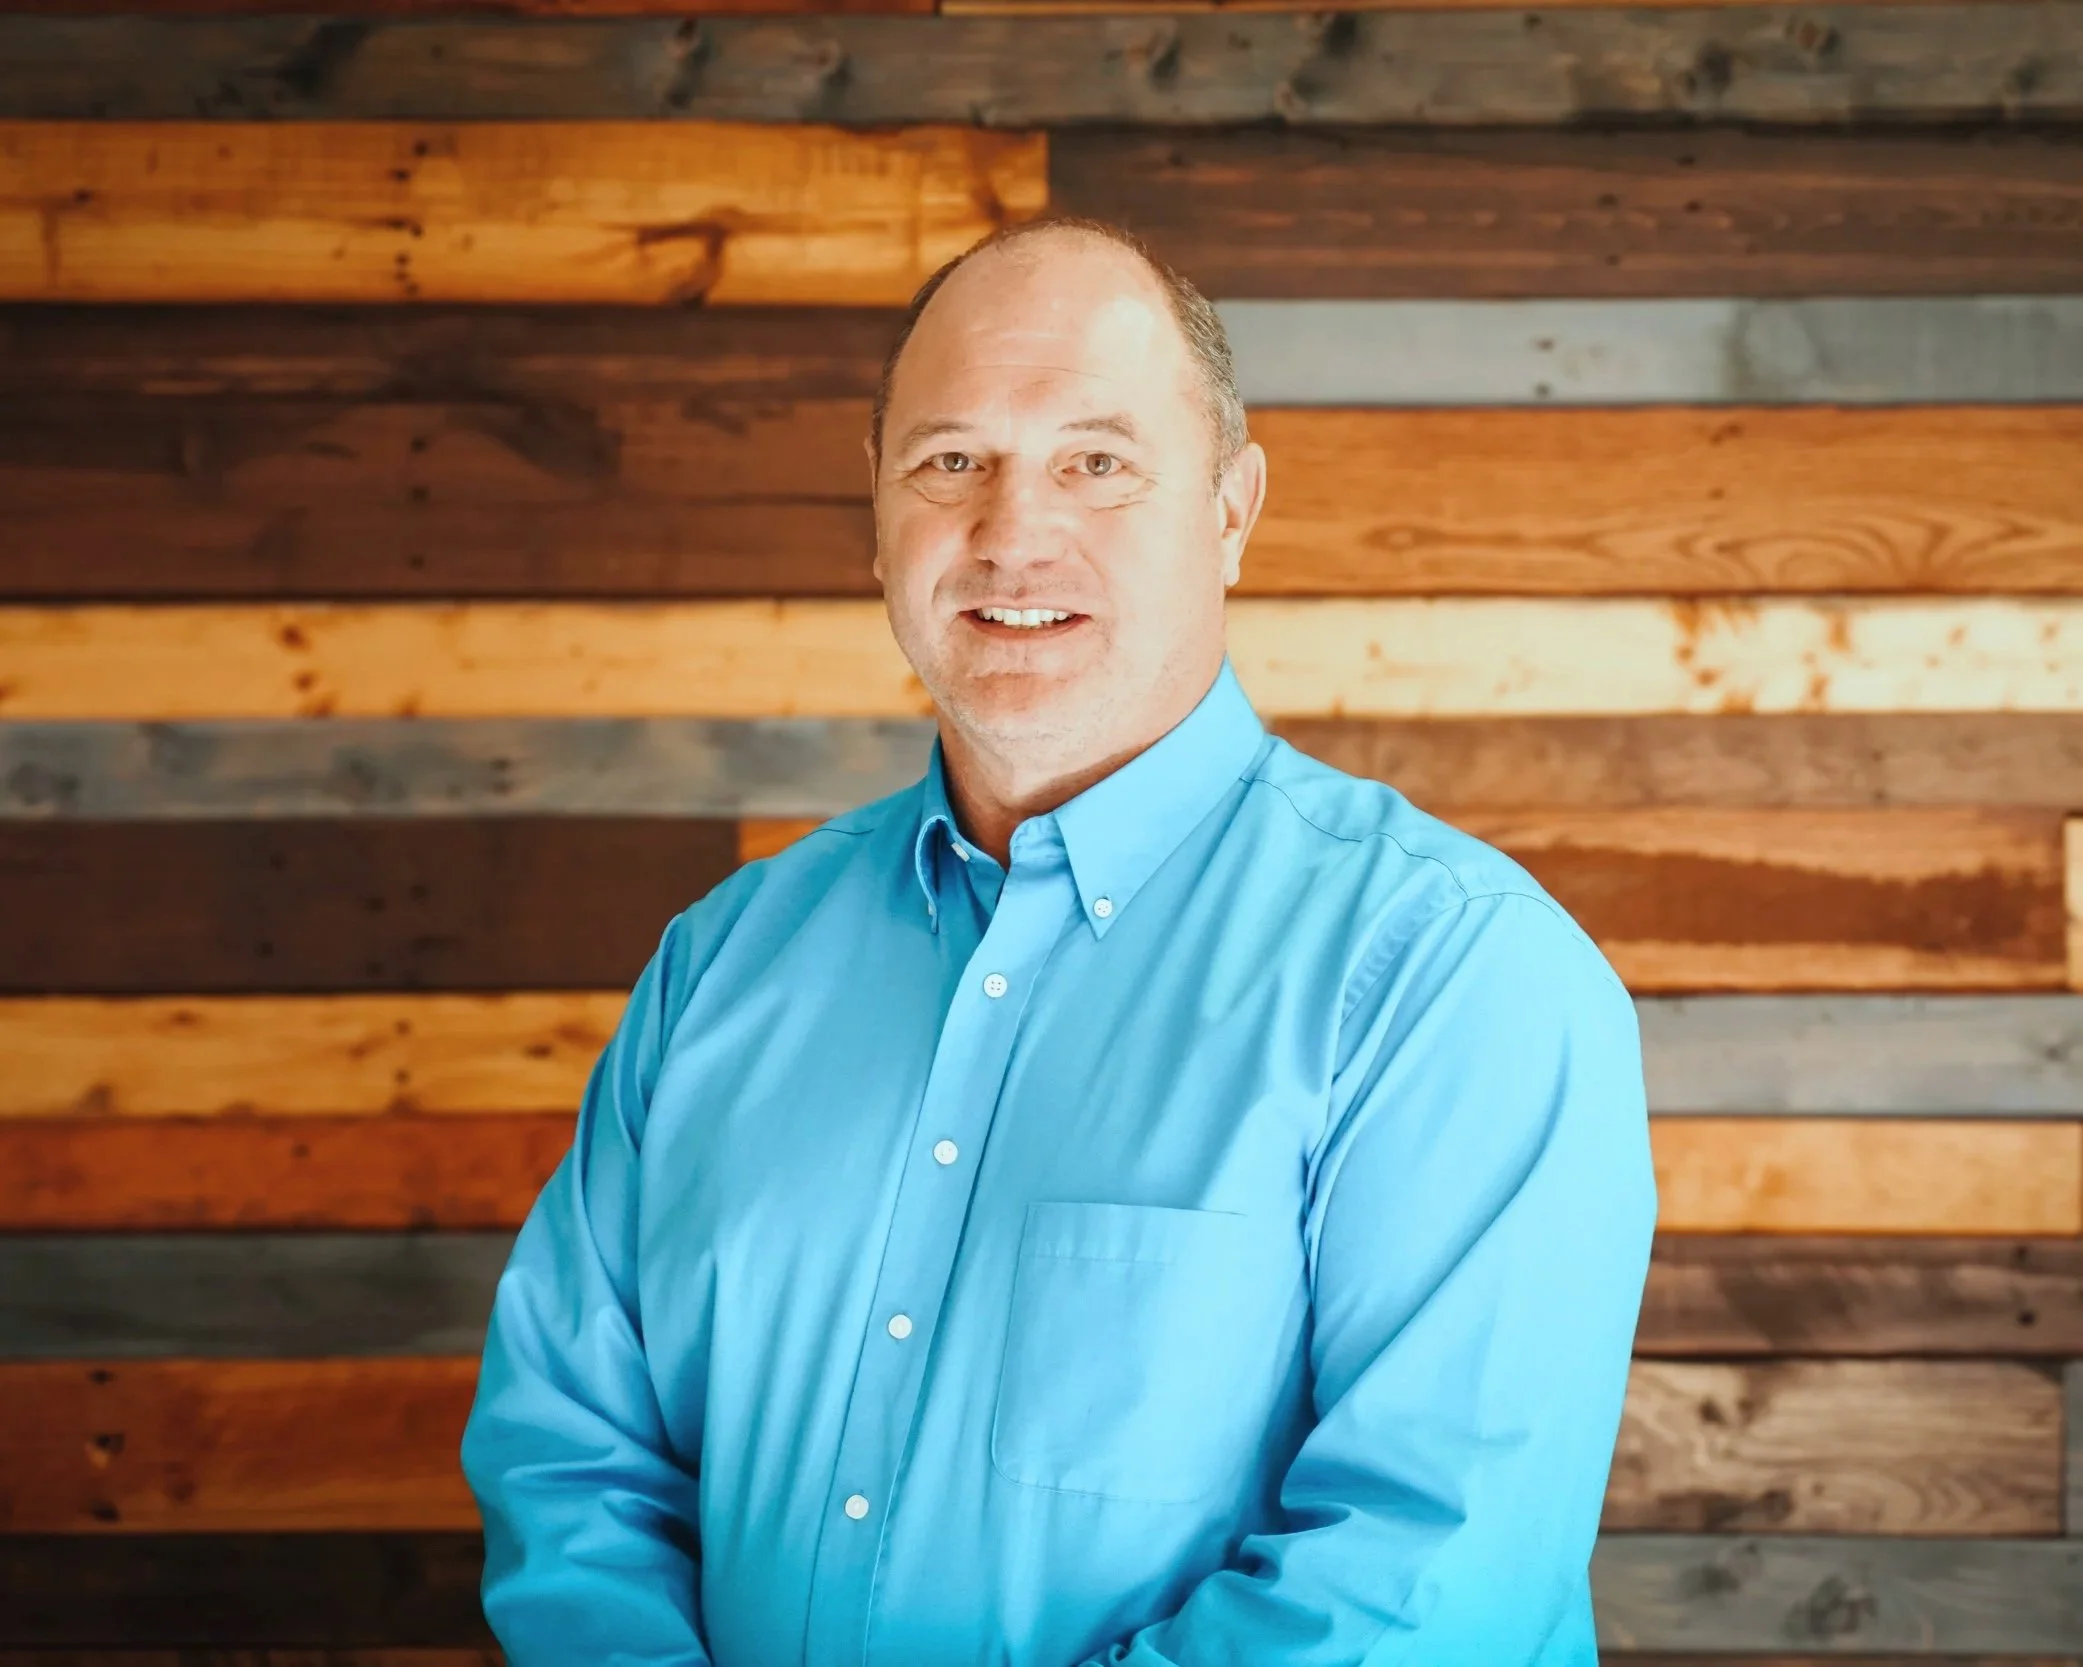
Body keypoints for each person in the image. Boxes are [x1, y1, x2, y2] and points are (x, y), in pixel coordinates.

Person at [460, 216, 1657, 1667]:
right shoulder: (721, 965)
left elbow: (1422, 1582)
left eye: (1096, 461)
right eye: (951, 459)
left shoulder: (1448, 975)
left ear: (1229, 507)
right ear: (878, 508)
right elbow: (570, 1462)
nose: (1011, 530)